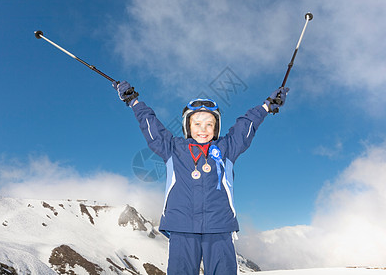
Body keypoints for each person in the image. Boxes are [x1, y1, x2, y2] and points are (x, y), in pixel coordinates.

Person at [113, 81, 289, 275]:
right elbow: (152, 127)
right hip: (182, 226)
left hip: (219, 227)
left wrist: (266, 106)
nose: (203, 129)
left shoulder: (227, 148)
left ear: (216, 127)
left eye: (209, 124)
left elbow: (246, 125)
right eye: (197, 124)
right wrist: (133, 101)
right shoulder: (173, 149)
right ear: (188, 125)